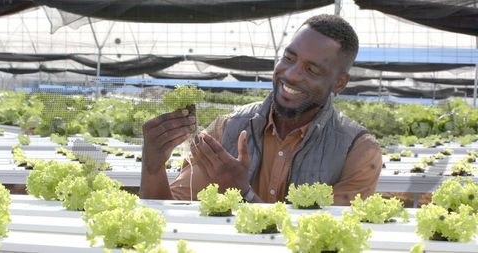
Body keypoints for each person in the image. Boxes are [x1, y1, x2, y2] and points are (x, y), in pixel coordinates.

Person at [140, 14, 382, 205]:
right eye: (289, 58)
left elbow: (329, 237)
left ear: (339, 83)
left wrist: (243, 193)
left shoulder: (358, 150)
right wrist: (153, 166)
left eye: (312, 70)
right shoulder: (226, 129)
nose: (291, 74)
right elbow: (170, 213)